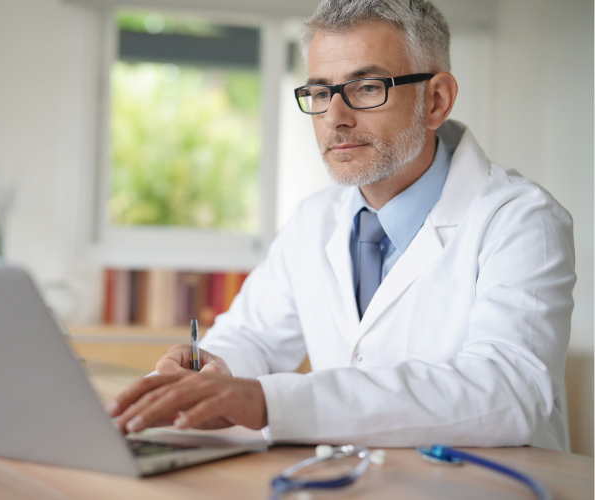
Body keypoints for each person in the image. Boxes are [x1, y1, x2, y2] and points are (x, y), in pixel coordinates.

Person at [108, 0, 576, 451]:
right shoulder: (314, 220)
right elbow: (252, 337)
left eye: (367, 88)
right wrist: (210, 369)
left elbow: (509, 391)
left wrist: (270, 402)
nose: (335, 118)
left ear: (436, 100)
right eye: (318, 92)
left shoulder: (521, 219)